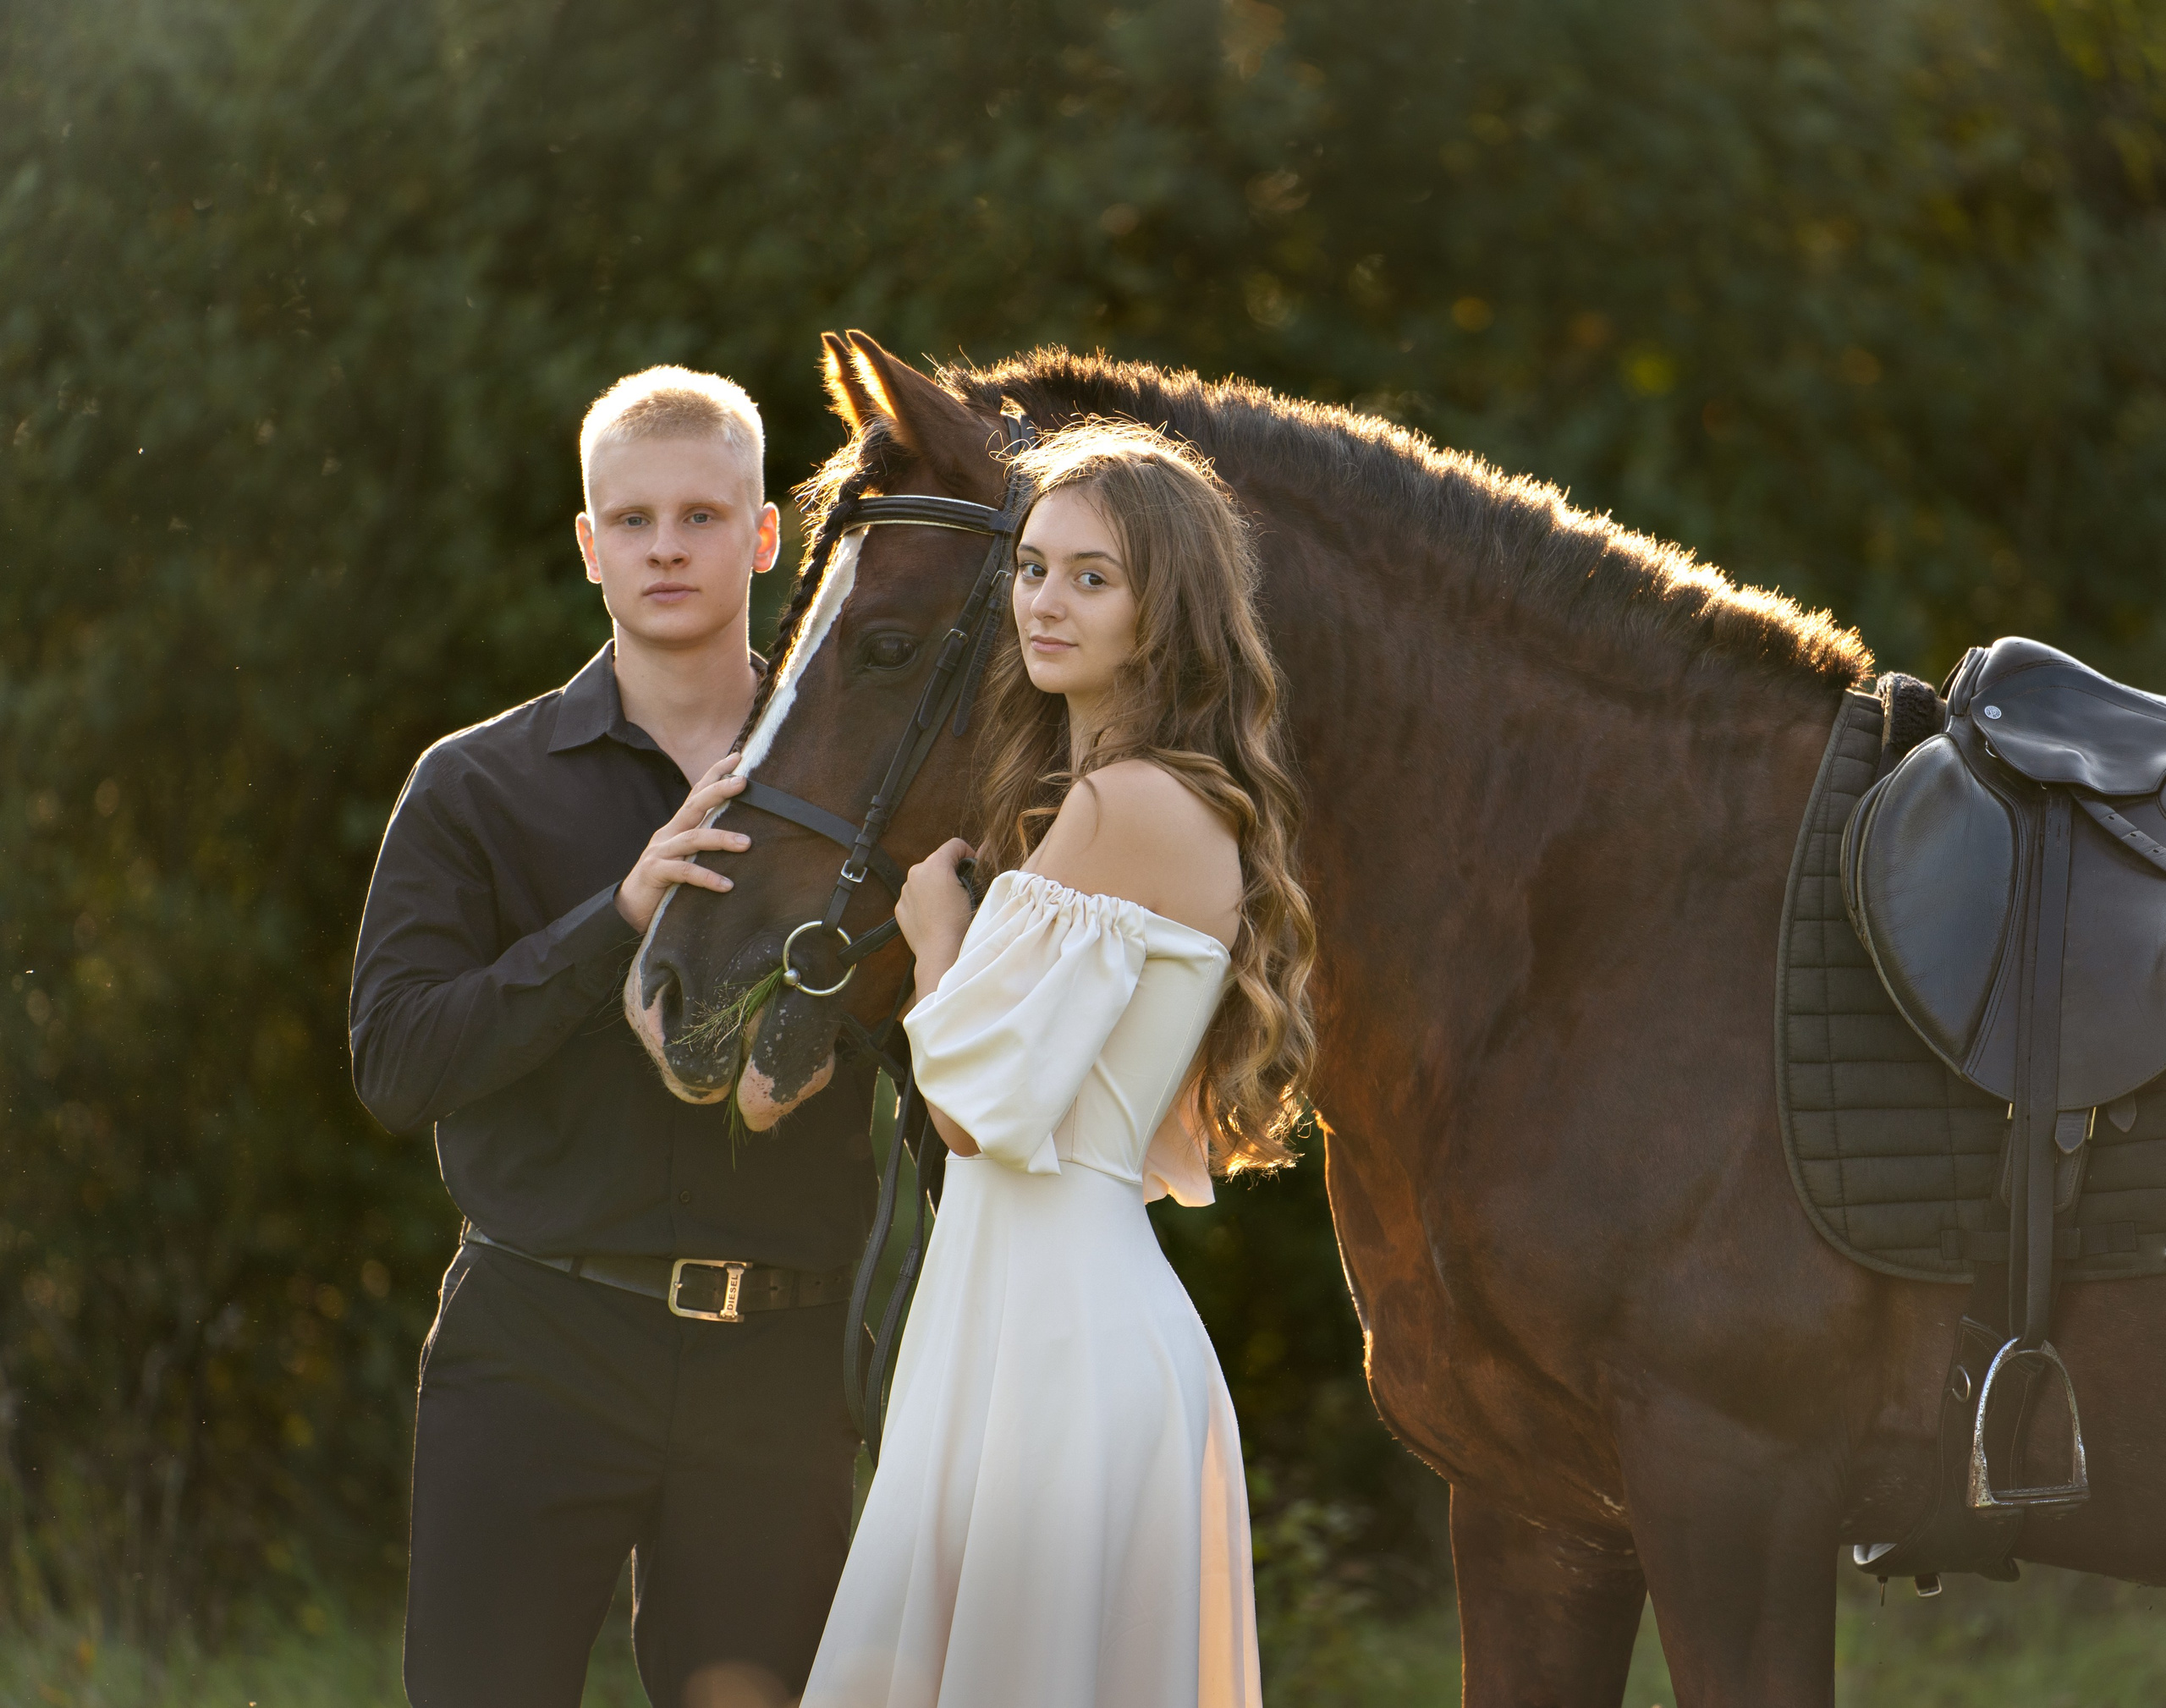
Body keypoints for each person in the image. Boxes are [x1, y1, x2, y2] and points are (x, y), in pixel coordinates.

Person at [349, 367, 874, 1708]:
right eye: (632, 520)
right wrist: (620, 914)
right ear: (588, 548)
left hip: (782, 1362)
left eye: (703, 516)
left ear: (766, 538)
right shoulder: (475, 784)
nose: (667, 548)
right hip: (540, 1340)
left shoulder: (874, 789)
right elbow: (399, 1064)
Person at [800, 420, 1319, 1708]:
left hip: (1055, 1343)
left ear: (1168, 610)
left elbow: (976, 1116)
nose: (1046, 601)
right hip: (1029, 1314)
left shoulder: (1124, 806)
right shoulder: (1114, 801)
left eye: (1095, 577)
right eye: (1033, 567)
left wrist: (936, 944)